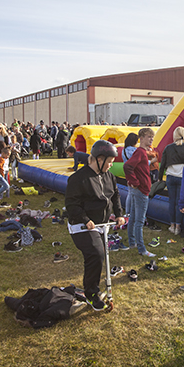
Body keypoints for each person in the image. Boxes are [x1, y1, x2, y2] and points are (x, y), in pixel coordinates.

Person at [65, 140, 126, 311]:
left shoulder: (109, 176)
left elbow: (115, 195)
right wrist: (85, 219)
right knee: (96, 254)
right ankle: (91, 294)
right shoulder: (78, 179)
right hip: (81, 225)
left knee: (99, 257)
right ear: (99, 159)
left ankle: (93, 288)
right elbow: (72, 205)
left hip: (101, 224)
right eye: (109, 162)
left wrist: (119, 214)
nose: (111, 166)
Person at [123, 127, 157, 258]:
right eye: (149, 137)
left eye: (152, 137)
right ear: (141, 138)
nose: (151, 139)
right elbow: (128, 166)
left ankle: (132, 242)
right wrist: (135, 182)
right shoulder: (140, 152)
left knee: (133, 217)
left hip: (140, 188)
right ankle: (142, 249)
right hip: (141, 190)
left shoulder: (141, 152)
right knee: (139, 220)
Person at [159, 126, 184, 235]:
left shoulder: (168, 148)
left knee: (172, 201)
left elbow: (162, 164)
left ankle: (172, 225)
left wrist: (160, 178)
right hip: (182, 177)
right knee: (180, 202)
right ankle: (178, 226)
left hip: (170, 177)